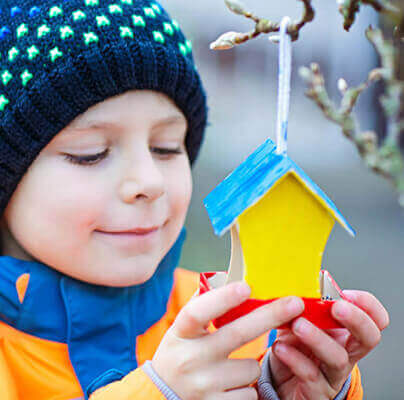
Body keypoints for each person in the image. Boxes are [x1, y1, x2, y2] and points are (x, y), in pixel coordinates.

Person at [0, 1, 388, 399]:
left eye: (167, 147)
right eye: (91, 152)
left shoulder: (237, 322)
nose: (149, 181)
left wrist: (292, 386)